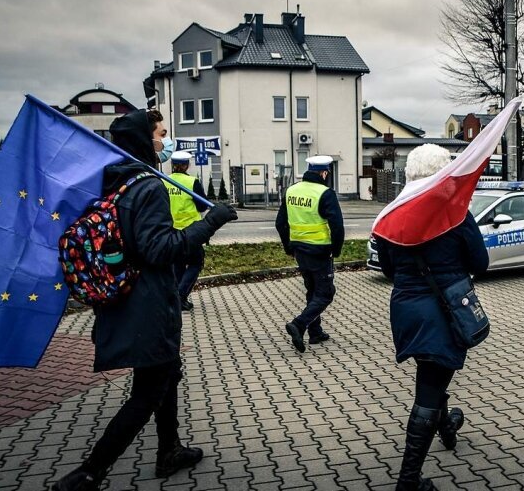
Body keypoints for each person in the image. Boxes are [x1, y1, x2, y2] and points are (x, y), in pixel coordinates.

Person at [53, 109, 238, 491]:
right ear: (145, 140)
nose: (165, 141)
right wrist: (212, 220)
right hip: (148, 306)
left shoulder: (116, 184)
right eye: (161, 134)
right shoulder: (148, 187)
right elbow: (161, 249)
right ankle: (87, 474)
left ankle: (169, 450)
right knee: (147, 393)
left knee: (167, 373)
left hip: (130, 302)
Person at [374, 144, 489, 491]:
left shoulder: (393, 214)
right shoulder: (455, 214)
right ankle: (409, 481)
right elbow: (480, 262)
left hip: (406, 310)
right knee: (428, 388)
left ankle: (447, 426)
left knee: (432, 376)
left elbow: (389, 267)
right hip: (444, 311)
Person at [275, 155, 344, 353]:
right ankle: (299, 324)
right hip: (320, 251)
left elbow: (280, 223)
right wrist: (336, 250)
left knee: (312, 290)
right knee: (325, 293)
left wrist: (289, 247)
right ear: (323, 172)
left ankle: (316, 331)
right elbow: (337, 227)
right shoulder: (325, 193)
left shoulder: (291, 190)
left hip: (299, 250)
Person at [163, 151, 209, 311]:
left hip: (171, 230)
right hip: (190, 231)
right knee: (196, 262)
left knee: (178, 264)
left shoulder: (164, 180)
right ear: (186, 165)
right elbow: (203, 205)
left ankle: (174, 297)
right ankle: (180, 296)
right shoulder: (192, 182)